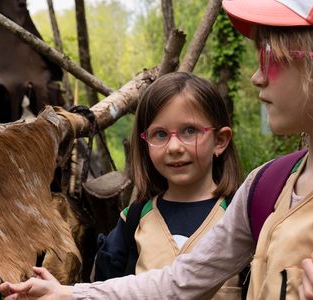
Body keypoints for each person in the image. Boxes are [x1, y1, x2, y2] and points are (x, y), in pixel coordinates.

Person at [0, 0, 313, 299]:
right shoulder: (268, 187)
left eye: (272, 59)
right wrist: (68, 295)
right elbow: (176, 284)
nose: (256, 76)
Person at [90, 72, 243, 299]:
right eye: (160, 134)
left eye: (189, 131)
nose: (173, 147)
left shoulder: (240, 217)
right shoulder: (133, 220)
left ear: (219, 141)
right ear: (146, 144)